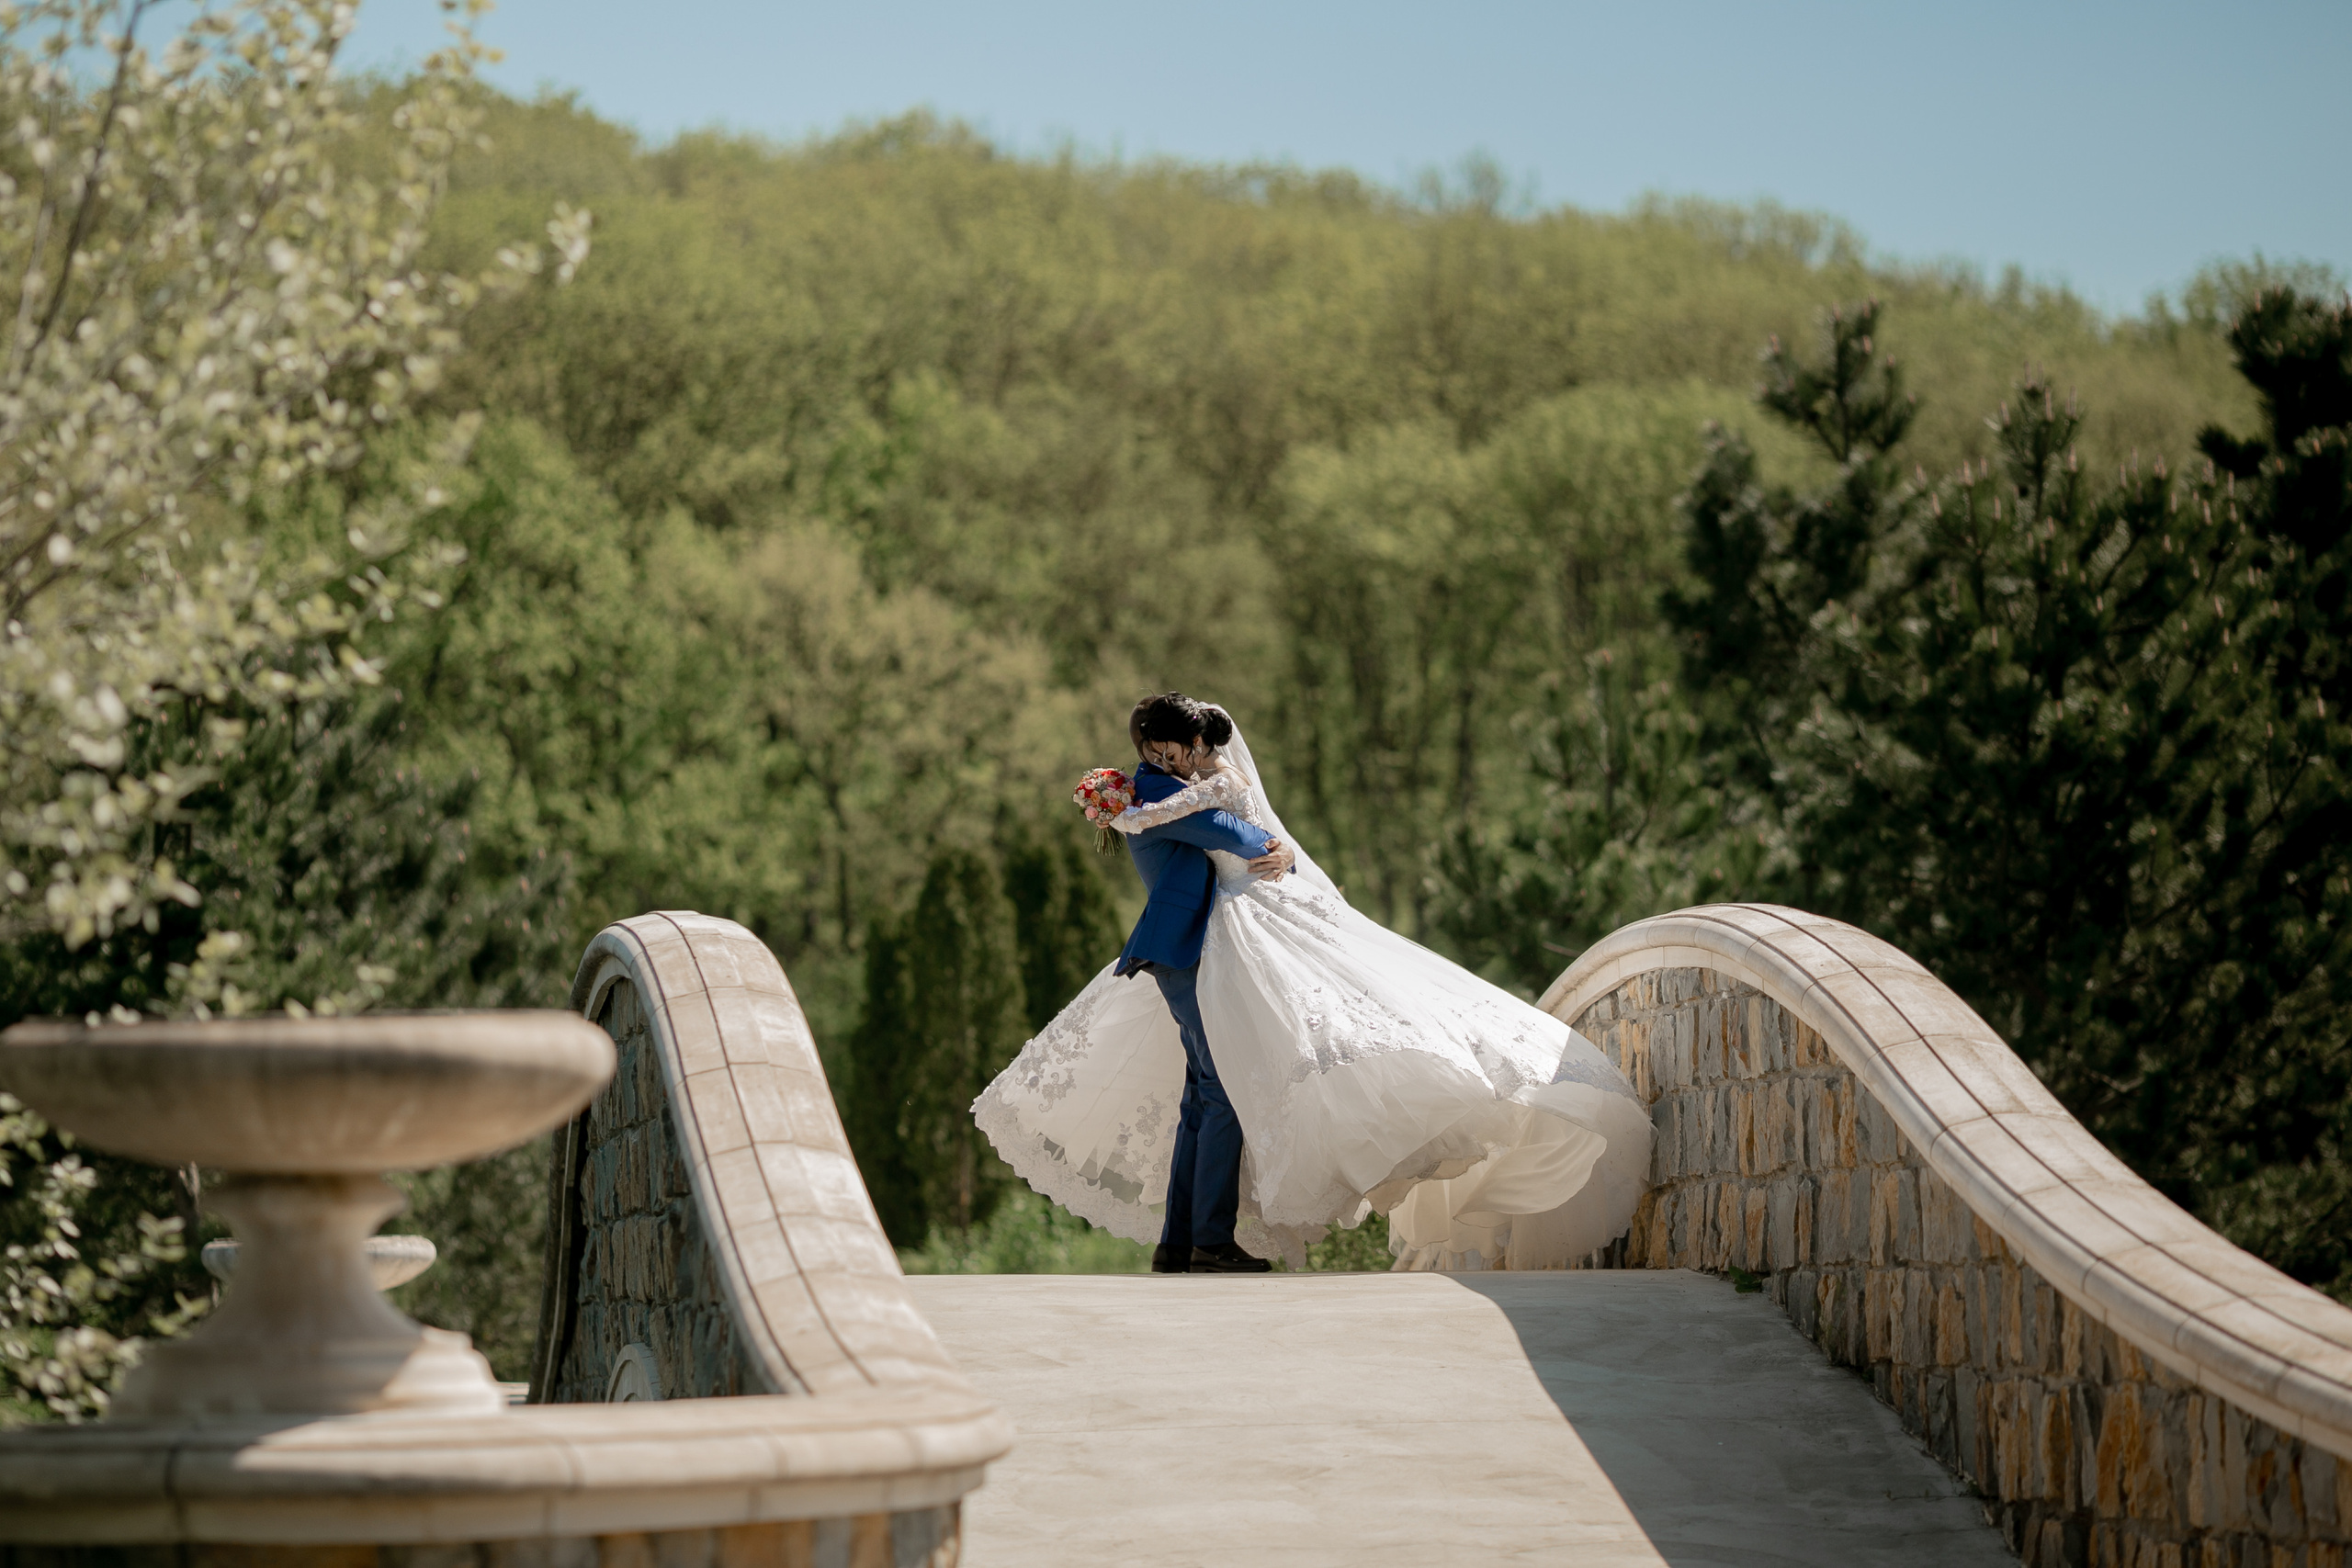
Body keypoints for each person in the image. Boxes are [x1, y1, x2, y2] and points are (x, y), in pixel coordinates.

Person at [973, 694, 1650, 1271]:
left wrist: (1277, 847)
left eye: (1174, 745)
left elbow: (1228, 823)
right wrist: (1270, 846)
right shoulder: (1151, 790)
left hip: (1187, 947)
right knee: (1219, 1090)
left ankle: (1183, 1243)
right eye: (1157, 746)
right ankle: (1207, 1241)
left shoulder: (1168, 785)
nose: (1166, 756)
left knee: (1204, 1092)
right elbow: (1222, 828)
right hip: (1180, 949)